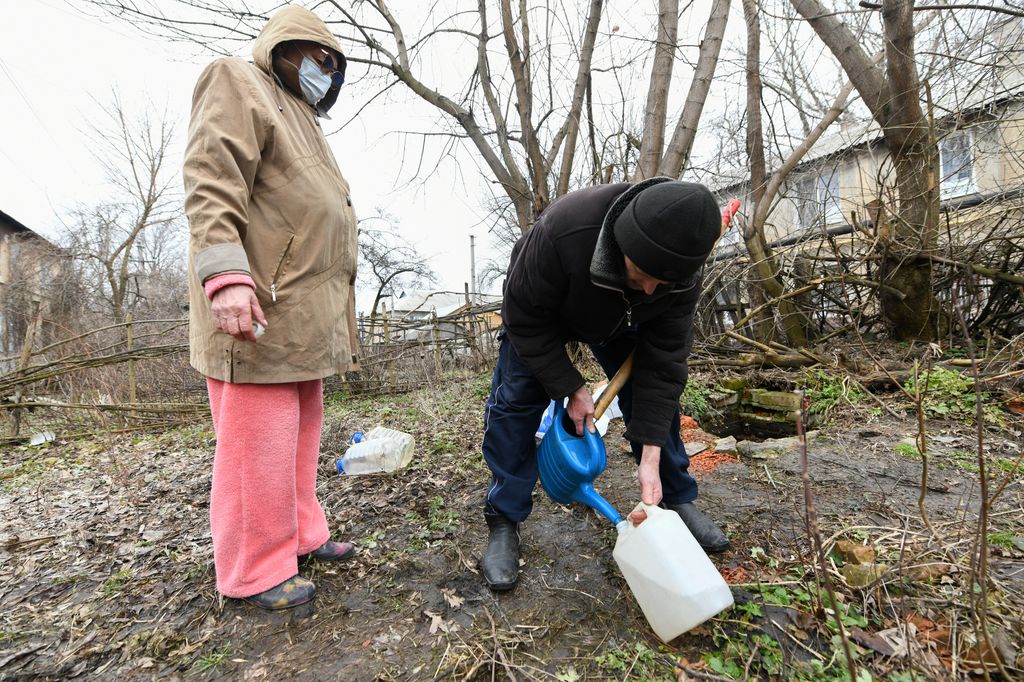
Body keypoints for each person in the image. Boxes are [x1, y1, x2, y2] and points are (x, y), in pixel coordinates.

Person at [183, 6, 360, 610]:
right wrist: (226, 276)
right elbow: (212, 177)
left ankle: (299, 536)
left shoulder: (304, 117)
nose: (326, 70)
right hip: (257, 306)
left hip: (299, 314)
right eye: (319, 57)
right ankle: (253, 567)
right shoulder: (237, 79)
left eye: (334, 64)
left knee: (299, 435)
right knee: (255, 444)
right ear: (285, 48)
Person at [479, 177, 732, 591]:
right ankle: (504, 517)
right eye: (643, 274)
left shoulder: (681, 268)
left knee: (652, 398)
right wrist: (570, 386)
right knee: (515, 402)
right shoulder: (565, 230)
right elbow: (523, 317)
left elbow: (663, 364)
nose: (653, 288)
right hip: (547, 311)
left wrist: (650, 453)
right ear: (621, 246)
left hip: (623, 316)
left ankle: (674, 495)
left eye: (662, 283)